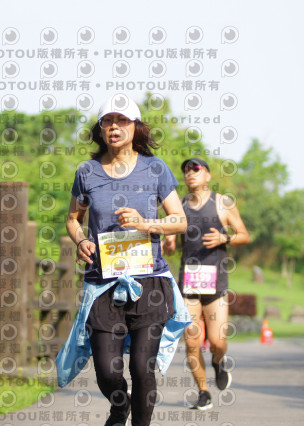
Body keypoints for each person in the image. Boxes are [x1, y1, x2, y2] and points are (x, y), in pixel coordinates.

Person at [61, 95, 188, 426]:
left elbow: (180, 220)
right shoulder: (87, 171)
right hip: (103, 283)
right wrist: (82, 239)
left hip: (150, 283)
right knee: (107, 370)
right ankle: (120, 407)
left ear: (136, 127)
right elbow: (73, 218)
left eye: (122, 121)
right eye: (107, 121)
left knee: (142, 366)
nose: (114, 127)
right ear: (100, 129)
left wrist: (146, 224)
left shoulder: (155, 168)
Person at [164, 157, 250, 410]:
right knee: (191, 341)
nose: (190, 173)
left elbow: (244, 235)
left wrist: (225, 237)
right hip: (188, 284)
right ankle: (203, 392)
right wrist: (169, 244)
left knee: (217, 342)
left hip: (216, 284)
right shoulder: (178, 207)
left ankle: (217, 361)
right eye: (186, 170)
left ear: (208, 175)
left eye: (196, 169)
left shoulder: (222, 203)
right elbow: (169, 246)